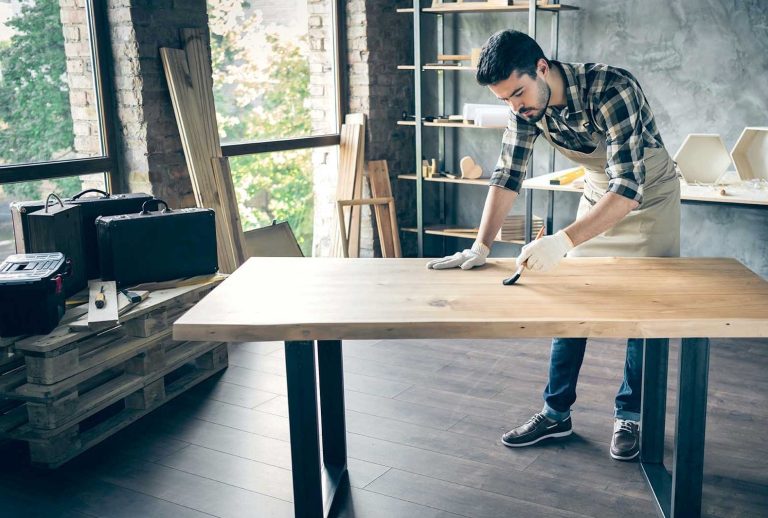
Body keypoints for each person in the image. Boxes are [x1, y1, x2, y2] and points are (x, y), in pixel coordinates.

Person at [426, 29, 680, 461]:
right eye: (505, 99)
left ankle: (631, 415)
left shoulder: (612, 88)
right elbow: (508, 174)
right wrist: (481, 247)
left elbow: (630, 187)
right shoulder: (524, 107)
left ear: (542, 68)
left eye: (518, 93)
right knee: (572, 303)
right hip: (600, 196)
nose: (515, 107)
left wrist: (562, 241)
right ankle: (556, 412)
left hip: (649, 199)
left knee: (643, 311)